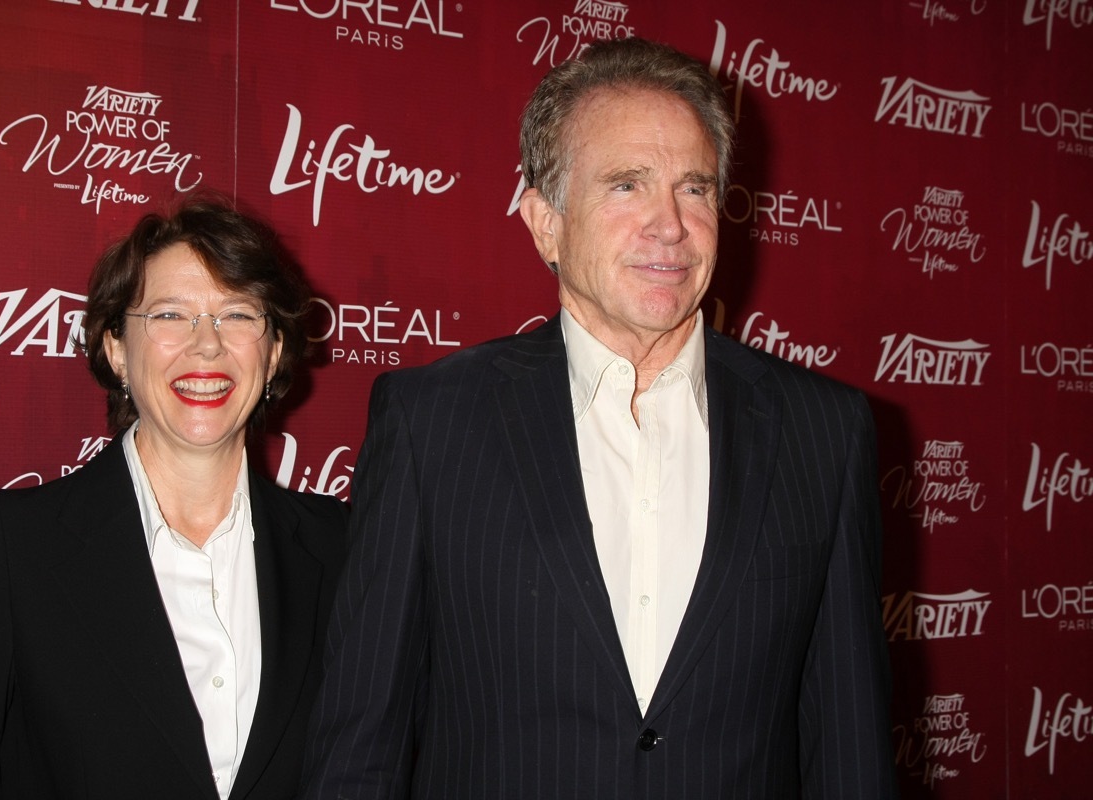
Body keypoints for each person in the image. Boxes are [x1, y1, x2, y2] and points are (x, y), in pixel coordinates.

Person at [301, 37, 896, 799]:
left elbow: (849, 744)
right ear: (545, 222)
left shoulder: (823, 432)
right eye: (626, 185)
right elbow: (362, 744)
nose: (670, 225)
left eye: (694, 188)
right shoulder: (432, 423)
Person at [0, 194, 348, 799]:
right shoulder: (16, 549)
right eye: (169, 315)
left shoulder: (341, 545)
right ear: (116, 350)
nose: (207, 344)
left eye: (238, 314)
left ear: (273, 353)